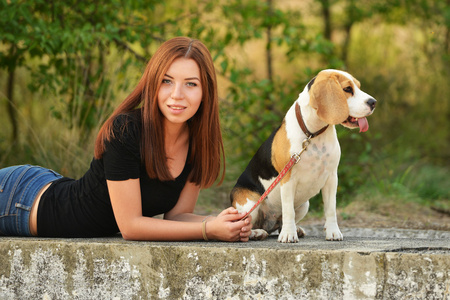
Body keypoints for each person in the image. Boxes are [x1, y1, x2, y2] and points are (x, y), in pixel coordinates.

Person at [0, 37, 252, 242]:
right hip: (19, 200)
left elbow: (178, 217)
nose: (177, 95)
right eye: (167, 81)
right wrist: (208, 230)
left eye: (191, 84)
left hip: (46, 186)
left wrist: (222, 221)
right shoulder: (126, 131)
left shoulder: (198, 143)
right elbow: (130, 227)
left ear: (205, 90)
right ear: (153, 84)